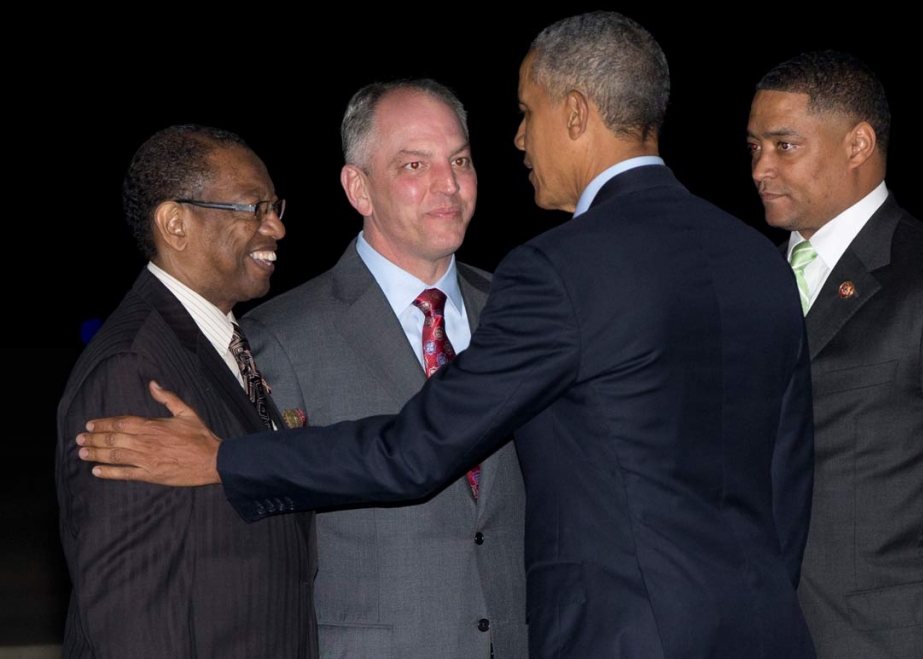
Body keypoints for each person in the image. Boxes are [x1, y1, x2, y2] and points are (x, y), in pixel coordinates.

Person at [78, 13, 816, 658]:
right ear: (357, 186)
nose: (519, 138)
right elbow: (790, 480)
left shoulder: (557, 271)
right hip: (763, 630)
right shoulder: (760, 259)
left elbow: (415, 450)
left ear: (577, 114)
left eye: (526, 112)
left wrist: (227, 460)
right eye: (414, 165)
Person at [746, 51, 923, 658]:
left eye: (783, 145)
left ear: (858, 144)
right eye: (754, 148)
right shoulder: (747, 284)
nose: (761, 168)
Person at [241, 80, 528, 658]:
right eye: (415, 164)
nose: (448, 185)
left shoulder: (524, 312)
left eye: (461, 160)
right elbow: (263, 554)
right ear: (359, 188)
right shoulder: (281, 337)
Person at [57, 125, 316, 658]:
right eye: (253, 207)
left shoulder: (219, 345)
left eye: (275, 206)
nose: (276, 228)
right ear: (176, 224)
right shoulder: (134, 370)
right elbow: (132, 612)